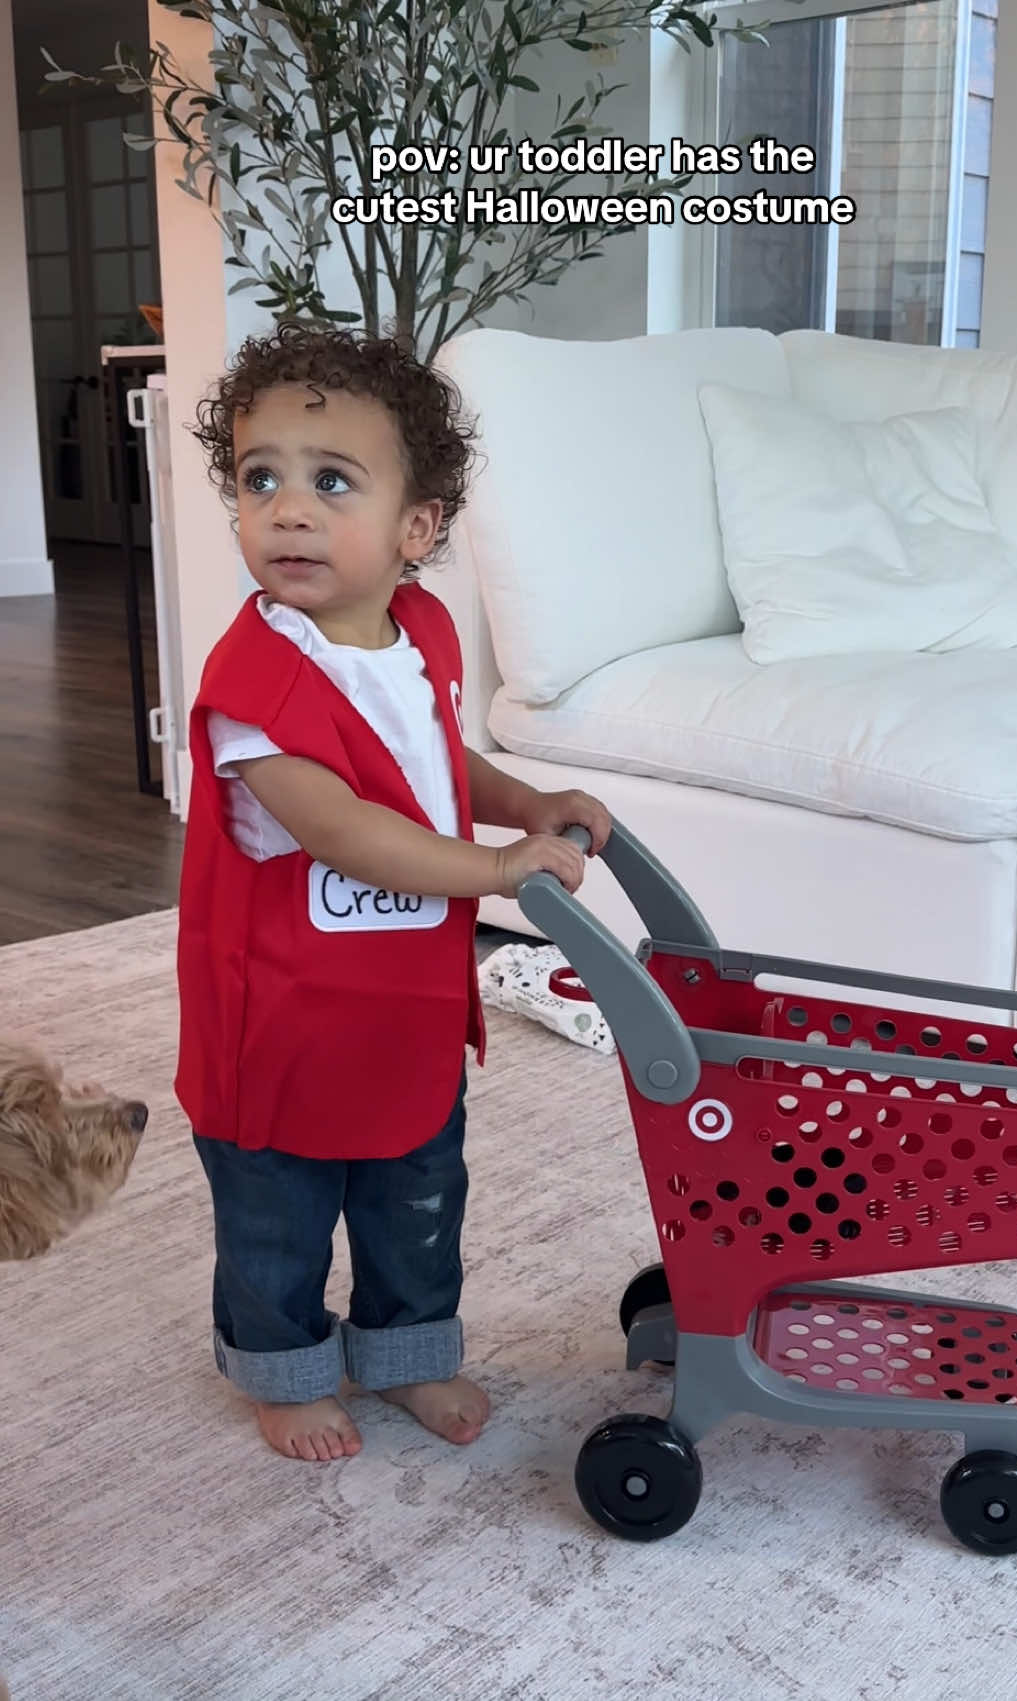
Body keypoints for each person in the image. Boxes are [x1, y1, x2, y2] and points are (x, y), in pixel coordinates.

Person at [175, 320, 612, 1465]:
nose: (288, 509)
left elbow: (428, 759)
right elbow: (350, 831)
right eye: (258, 478)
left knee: (416, 1194)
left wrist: (520, 804)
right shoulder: (250, 685)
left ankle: (407, 1349)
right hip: (275, 1023)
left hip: (397, 1008)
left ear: (417, 528)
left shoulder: (416, 634)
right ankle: (281, 1370)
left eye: (331, 482)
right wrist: (498, 871)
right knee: (277, 1218)